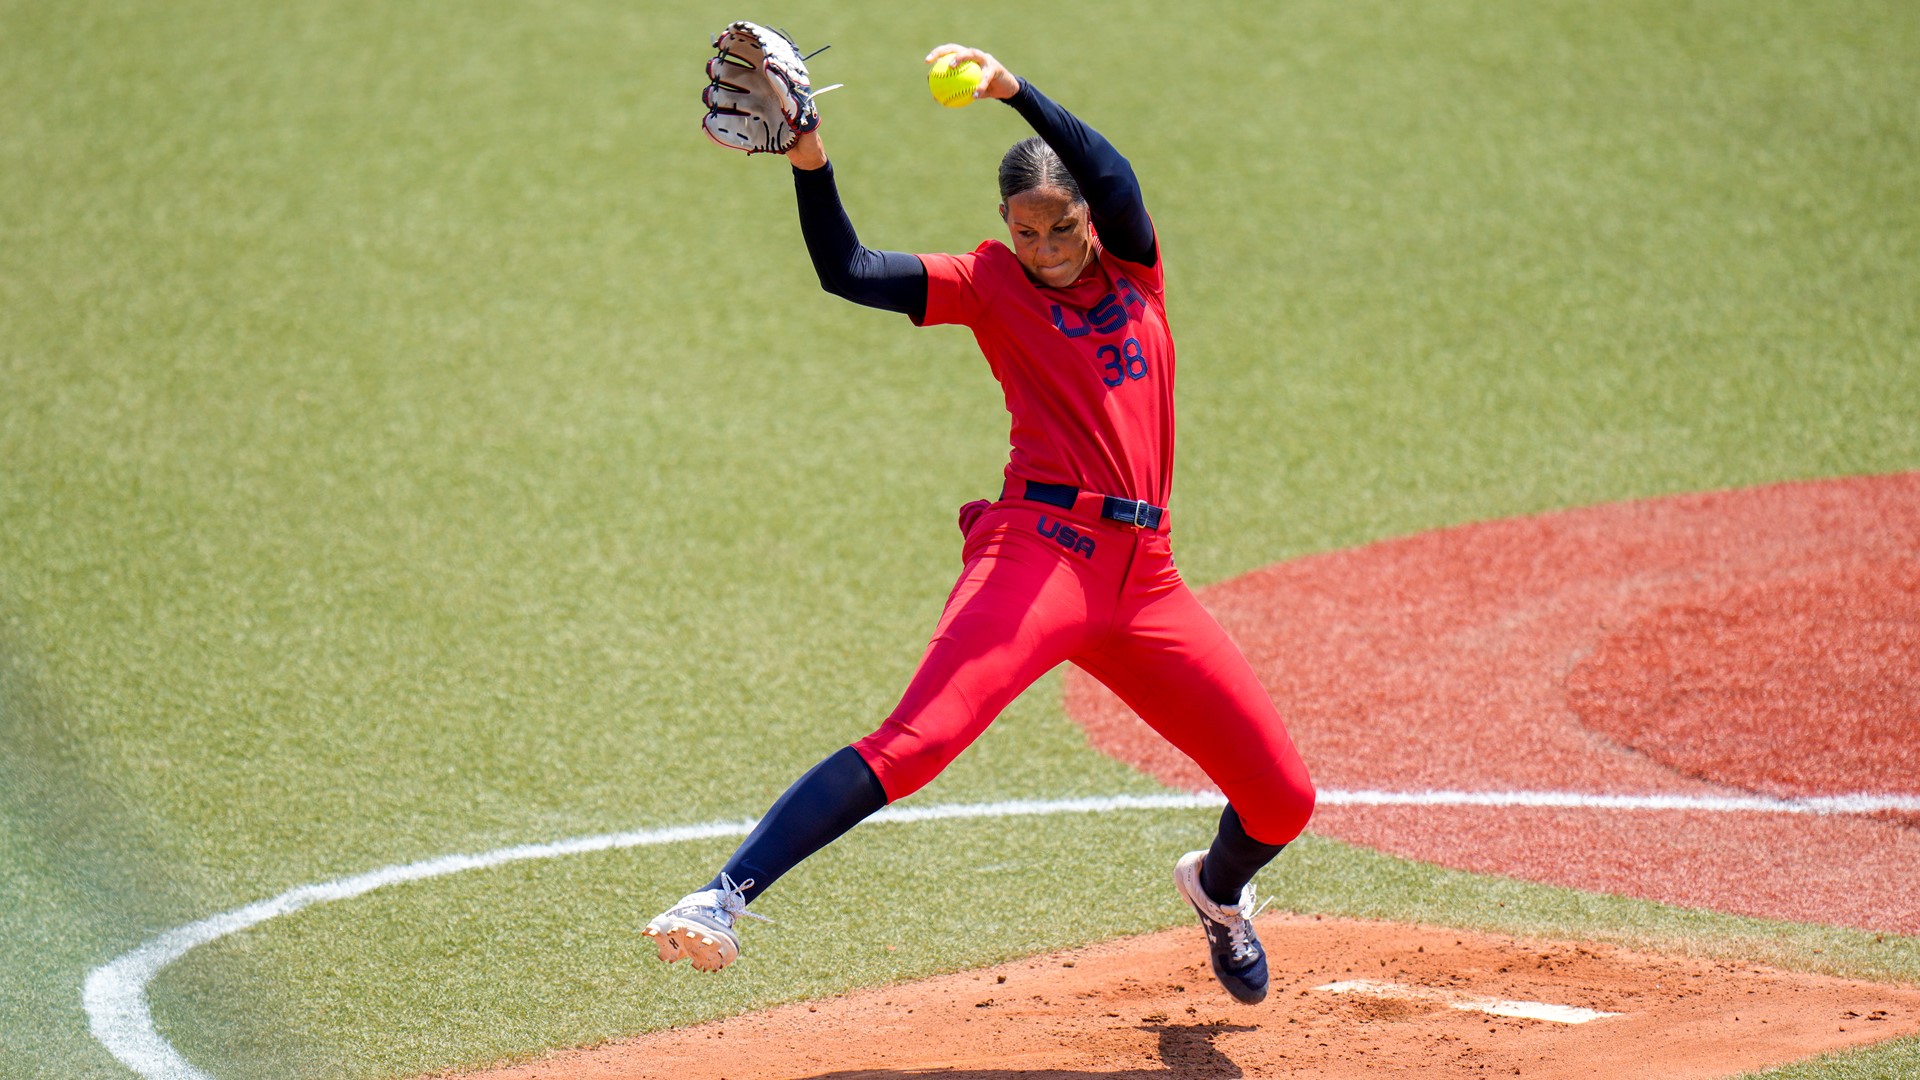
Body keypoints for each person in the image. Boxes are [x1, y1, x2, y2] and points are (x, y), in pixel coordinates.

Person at [648, 42, 1316, 1004]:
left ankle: (1217, 893)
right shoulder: (987, 283)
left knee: (1283, 799)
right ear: (1003, 227)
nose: (1045, 251)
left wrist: (1012, 91)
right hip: (1039, 556)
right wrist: (808, 154)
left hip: (1148, 579)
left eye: (1061, 229)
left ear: (1092, 218)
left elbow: (1115, 169)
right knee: (917, 742)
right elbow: (848, 269)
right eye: (1026, 231)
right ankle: (721, 897)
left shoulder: (1136, 270)